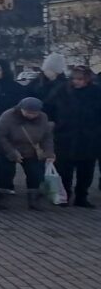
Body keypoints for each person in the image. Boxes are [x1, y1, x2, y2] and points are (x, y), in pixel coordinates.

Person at [44, 65, 100, 208]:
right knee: (64, 169)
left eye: (81, 79)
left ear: (87, 79)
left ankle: (82, 197)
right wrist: (53, 123)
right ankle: (64, 195)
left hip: (89, 137)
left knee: (86, 171)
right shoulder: (61, 91)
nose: (77, 82)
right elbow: (49, 108)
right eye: (75, 79)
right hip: (65, 136)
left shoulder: (96, 92)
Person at [0, 97, 54, 210]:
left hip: (31, 149)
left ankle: (33, 199)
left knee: (35, 174)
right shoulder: (8, 116)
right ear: (21, 109)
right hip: (8, 148)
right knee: (6, 173)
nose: (31, 115)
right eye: (28, 112)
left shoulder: (43, 118)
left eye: (34, 113)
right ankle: (2, 199)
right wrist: (11, 152)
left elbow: (47, 136)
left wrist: (49, 151)